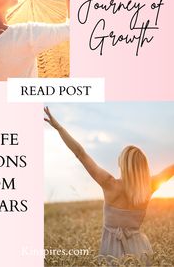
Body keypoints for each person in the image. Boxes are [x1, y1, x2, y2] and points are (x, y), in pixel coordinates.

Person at [44, 106, 174, 265]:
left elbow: (80, 153)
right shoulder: (148, 187)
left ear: (123, 163)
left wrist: (59, 128)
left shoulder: (109, 183)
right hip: (141, 251)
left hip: (111, 253)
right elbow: (171, 170)